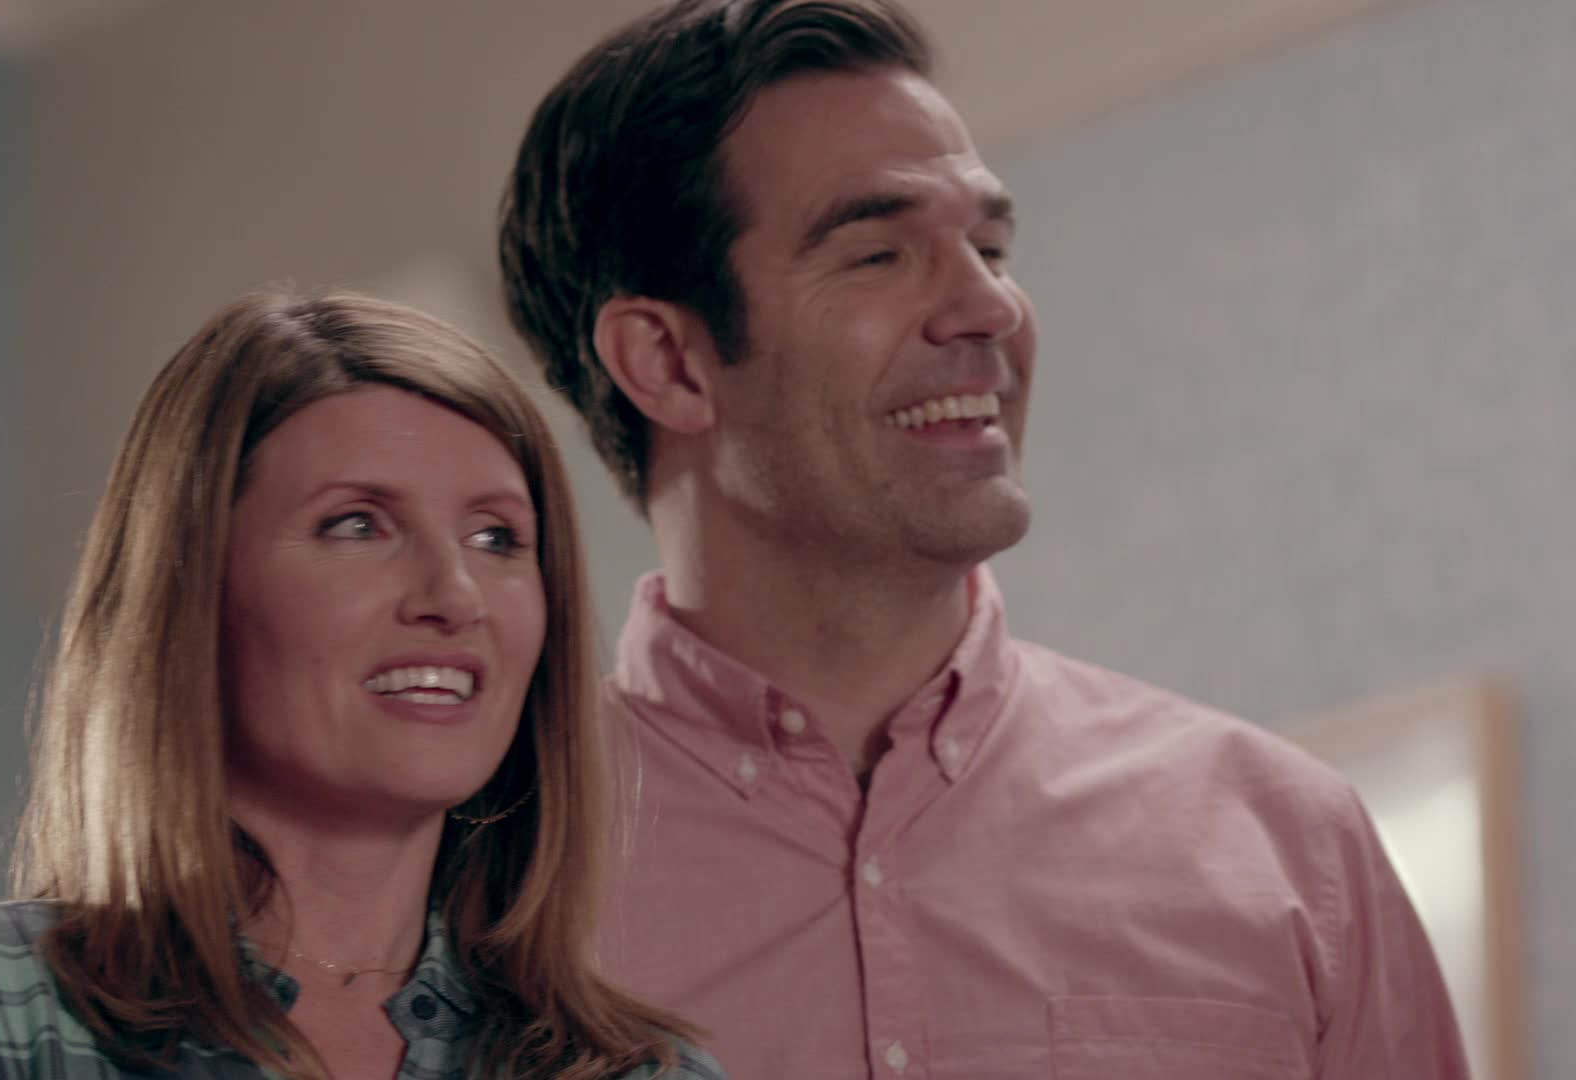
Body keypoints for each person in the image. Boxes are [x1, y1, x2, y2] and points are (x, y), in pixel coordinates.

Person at [498, 2, 1469, 1077]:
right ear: (669, 363)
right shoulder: (475, 883)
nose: (991, 306)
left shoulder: (1295, 847)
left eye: (992, 247)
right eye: (878, 255)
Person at [0, 289, 724, 1080]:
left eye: (497, 538)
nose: (454, 596)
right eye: (356, 525)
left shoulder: (650, 1073)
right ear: (191, 591)